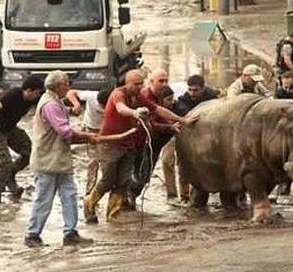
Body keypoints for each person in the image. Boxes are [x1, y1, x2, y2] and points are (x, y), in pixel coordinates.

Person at [84, 69, 197, 223]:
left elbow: (158, 109)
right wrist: (134, 113)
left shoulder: (139, 96)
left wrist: (182, 120)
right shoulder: (119, 94)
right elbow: (120, 108)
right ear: (127, 83)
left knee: (123, 182)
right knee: (108, 180)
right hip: (110, 144)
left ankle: (113, 216)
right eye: (136, 84)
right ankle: (89, 203)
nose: (139, 87)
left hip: (129, 144)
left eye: (141, 83)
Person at [24, 71, 98, 248]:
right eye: (66, 83)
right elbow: (65, 132)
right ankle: (32, 235)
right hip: (48, 161)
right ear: (58, 86)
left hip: (59, 161)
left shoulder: (53, 100)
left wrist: (72, 111)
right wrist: (88, 137)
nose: (69, 86)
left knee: (69, 195)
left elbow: (62, 112)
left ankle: (70, 233)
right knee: (44, 199)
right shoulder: (50, 104)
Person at [0, 75, 44, 203]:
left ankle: (10, 175)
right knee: (5, 161)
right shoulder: (13, 94)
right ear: (28, 90)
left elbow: (48, 105)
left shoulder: (33, 99)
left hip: (10, 128)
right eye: (36, 93)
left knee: (30, 152)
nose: (37, 97)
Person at [162, 74, 218, 202]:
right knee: (169, 161)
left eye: (195, 90)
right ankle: (177, 195)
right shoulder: (183, 100)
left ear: (203, 89)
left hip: (204, 133)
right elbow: (183, 114)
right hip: (180, 130)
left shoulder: (211, 96)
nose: (192, 93)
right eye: (190, 89)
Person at [130, 69, 182, 207]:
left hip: (155, 142)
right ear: (151, 81)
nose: (164, 83)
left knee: (145, 176)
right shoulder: (145, 96)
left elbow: (161, 112)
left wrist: (178, 120)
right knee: (139, 175)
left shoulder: (161, 96)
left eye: (166, 80)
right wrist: (169, 126)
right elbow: (149, 123)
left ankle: (130, 202)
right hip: (142, 142)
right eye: (161, 81)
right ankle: (126, 201)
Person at [64, 87, 111, 195]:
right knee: (93, 161)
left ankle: (106, 190)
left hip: (106, 131)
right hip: (90, 129)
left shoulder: (114, 102)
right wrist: (76, 104)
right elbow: (71, 92)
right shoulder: (91, 96)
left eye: (105, 106)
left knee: (108, 162)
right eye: (101, 105)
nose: (102, 108)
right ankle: (89, 192)